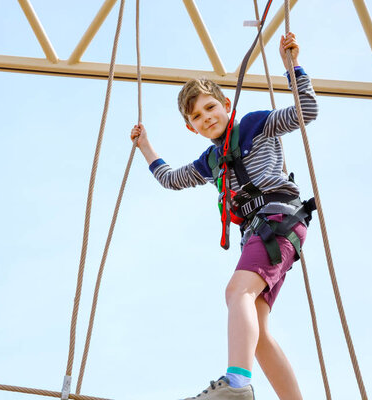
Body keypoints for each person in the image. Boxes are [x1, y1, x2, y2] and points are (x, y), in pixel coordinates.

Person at [130, 32, 318, 400]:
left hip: (276, 219)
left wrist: (292, 66)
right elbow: (171, 179)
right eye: (197, 117)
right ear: (191, 127)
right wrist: (145, 147)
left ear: (225, 104)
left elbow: (305, 112)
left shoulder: (254, 124)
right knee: (259, 335)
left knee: (236, 292)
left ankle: (236, 384)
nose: (206, 118)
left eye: (210, 108)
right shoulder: (210, 160)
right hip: (261, 233)